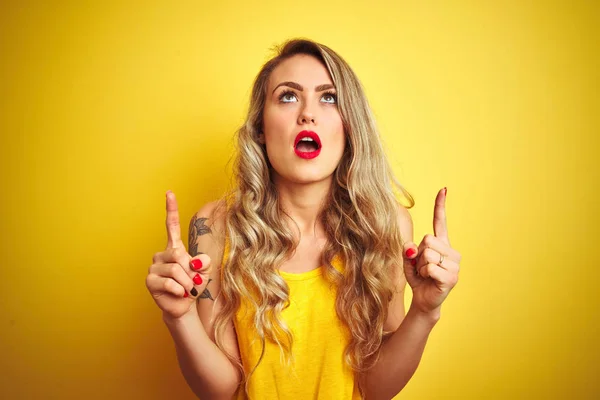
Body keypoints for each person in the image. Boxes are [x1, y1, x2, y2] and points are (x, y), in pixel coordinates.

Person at [146, 38, 461, 399]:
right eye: (288, 96)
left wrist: (423, 312)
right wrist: (180, 319)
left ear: (349, 126)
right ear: (261, 129)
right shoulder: (216, 227)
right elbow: (221, 391)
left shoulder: (386, 226)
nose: (307, 113)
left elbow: (375, 389)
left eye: (329, 97)